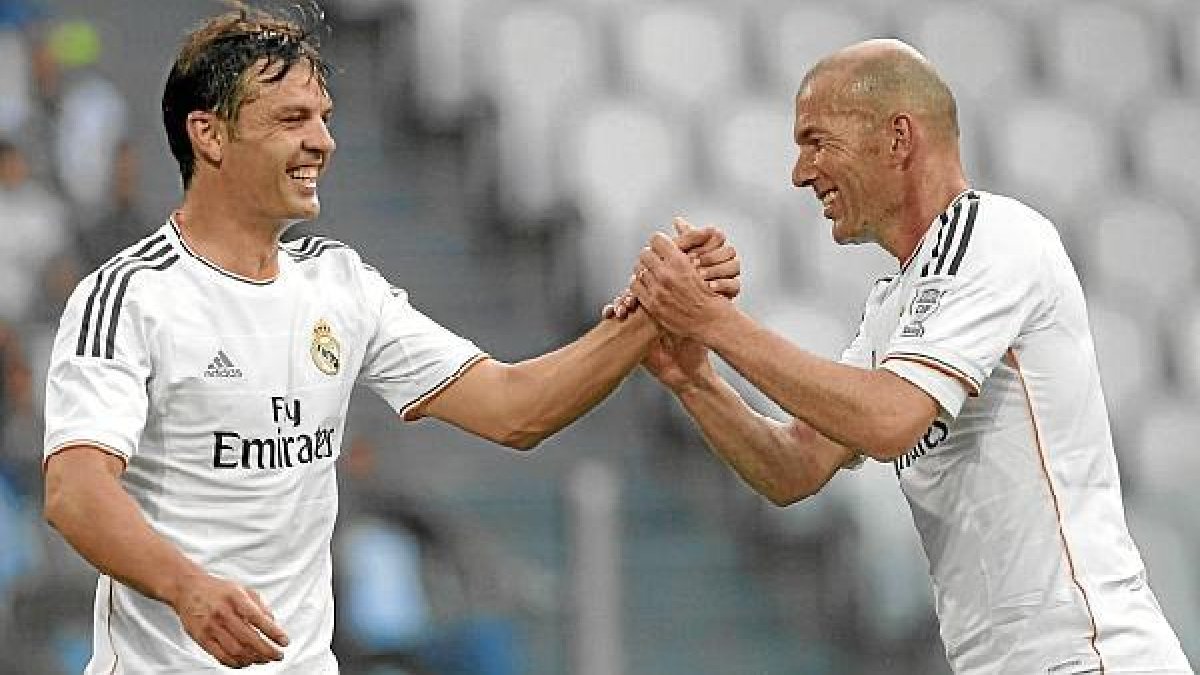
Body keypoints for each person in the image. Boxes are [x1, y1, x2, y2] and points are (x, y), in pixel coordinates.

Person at [40, 6, 740, 673]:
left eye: (324, 118)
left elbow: (513, 406)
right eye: (292, 119)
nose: (323, 140)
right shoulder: (130, 296)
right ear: (210, 134)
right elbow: (75, 491)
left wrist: (655, 308)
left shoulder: (340, 285)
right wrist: (185, 585)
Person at [624, 39, 1194, 674]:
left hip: (1090, 658)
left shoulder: (998, 239)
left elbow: (890, 422)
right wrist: (693, 377)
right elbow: (795, 467)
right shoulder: (897, 302)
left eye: (817, 141)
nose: (800, 172)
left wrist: (711, 318)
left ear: (898, 138)